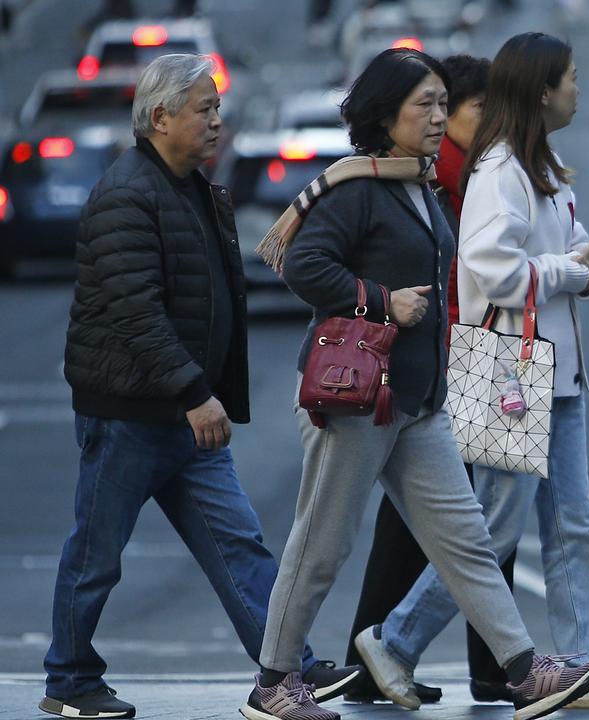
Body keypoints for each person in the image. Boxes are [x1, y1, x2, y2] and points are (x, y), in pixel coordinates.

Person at [246, 47, 589, 720]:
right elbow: (303, 264)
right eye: (425, 105)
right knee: (322, 541)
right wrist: (379, 299)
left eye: (444, 102)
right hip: (357, 397)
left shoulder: (415, 183)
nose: (440, 116)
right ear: (385, 115)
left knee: (468, 540)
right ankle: (272, 681)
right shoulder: (356, 187)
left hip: (417, 401)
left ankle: (526, 672)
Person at [46, 53, 359, 720]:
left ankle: (287, 672)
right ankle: (69, 681)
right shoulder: (128, 194)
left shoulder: (194, 188)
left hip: (186, 417)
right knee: (97, 554)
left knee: (238, 544)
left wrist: (198, 395)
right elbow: (136, 310)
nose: (219, 121)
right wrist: (194, 390)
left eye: (218, 108)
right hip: (132, 413)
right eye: (205, 110)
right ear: (160, 118)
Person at [354, 33, 589, 711]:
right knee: (494, 529)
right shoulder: (502, 168)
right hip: (507, 368)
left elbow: (549, 266)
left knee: (569, 524)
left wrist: (582, 268)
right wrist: (569, 272)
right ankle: (394, 640)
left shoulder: (536, 163)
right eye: (572, 78)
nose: (582, 88)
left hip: (548, 371)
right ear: (542, 90)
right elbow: (487, 265)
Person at [339, 53, 511, 706]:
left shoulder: (470, 172)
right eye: (471, 108)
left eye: (451, 107)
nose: (457, 119)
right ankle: (478, 666)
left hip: (483, 355)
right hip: (466, 355)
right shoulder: (439, 179)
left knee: (459, 517)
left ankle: (475, 666)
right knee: (471, 517)